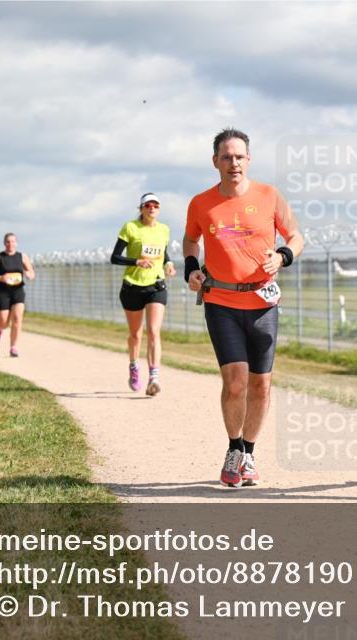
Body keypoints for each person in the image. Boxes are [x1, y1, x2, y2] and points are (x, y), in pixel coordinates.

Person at [183, 128, 305, 487]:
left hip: (262, 301)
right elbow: (191, 239)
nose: (233, 163)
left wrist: (282, 256)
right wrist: (192, 269)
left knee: (261, 386)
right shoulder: (201, 203)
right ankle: (234, 447)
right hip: (219, 299)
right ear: (215, 162)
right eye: (226, 157)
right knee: (235, 382)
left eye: (239, 156)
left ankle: (249, 453)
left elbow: (296, 237)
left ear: (248, 160)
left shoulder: (269, 196)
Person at [111, 193, 177, 395]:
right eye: (148, 205)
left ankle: (154, 378)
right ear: (141, 209)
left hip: (156, 285)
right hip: (133, 286)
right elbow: (115, 257)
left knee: (154, 332)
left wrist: (169, 263)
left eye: (156, 205)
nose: (152, 208)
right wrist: (136, 262)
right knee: (135, 334)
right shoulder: (130, 228)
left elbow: (162, 252)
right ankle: (133, 365)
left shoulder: (164, 229)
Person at [0, 233, 35, 358]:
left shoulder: (22, 256)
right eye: (8, 242)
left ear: (16, 243)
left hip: (18, 290)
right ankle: (0, 329)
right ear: (4, 243)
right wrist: (1, 277)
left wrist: (29, 275)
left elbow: (31, 272)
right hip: (2, 292)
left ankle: (13, 347)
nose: (10, 244)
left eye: (12, 241)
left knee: (17, 319)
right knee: (4, 321)